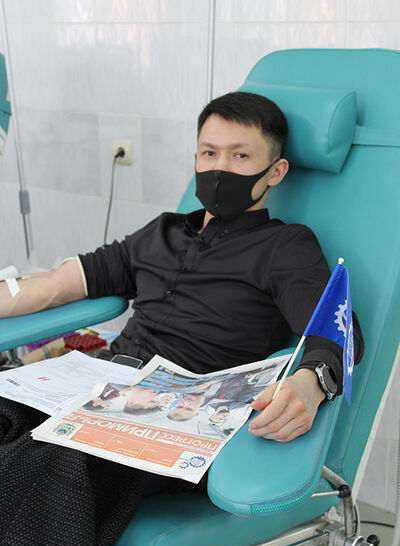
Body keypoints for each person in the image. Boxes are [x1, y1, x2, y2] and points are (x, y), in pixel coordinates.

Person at [0, 91, 364, 443]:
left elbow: (339, 331)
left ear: (275, 172)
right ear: (196, 159)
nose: (220, 168)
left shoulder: (283, 247)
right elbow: (56, 284)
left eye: (240, 155)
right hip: (99, 385)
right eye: (209, 153)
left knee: (29, 468)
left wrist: (312, 382)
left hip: (172, 418)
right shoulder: (162, 232)